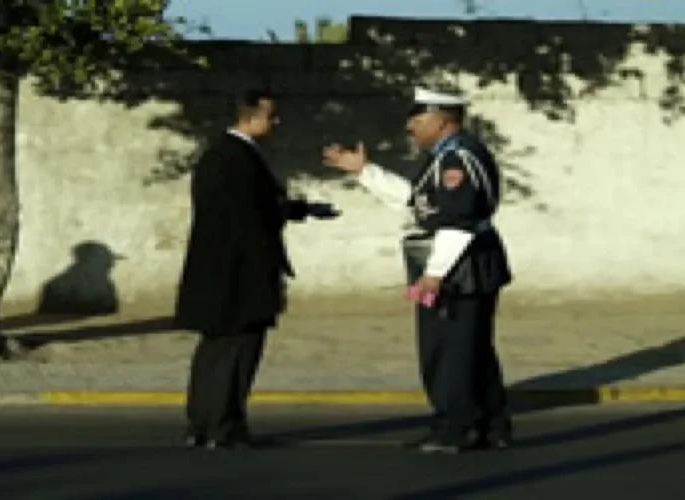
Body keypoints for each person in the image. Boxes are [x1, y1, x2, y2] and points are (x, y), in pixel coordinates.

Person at [322, 87, 513, 454]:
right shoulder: (446, 156)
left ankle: (455, 429)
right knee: (471, 348)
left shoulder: (457, 160)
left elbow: (457, 221)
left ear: (443, 120)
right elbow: (417, 202)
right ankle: (491, 425)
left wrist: (434, 274)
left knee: (447, 350)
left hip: (456, 268)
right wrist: (366, 172)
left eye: (418, 118)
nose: (411, 126)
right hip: (460, 263)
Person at [174, 89, 340, 450]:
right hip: (240, 272)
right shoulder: (235, 157)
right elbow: (251, 216)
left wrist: (302, 210)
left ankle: (201, 424)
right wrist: (269, 268)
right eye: (269, 116)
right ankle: (224, 426)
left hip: (220, 271)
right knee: (238, 349)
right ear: (248, 119)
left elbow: (258, 206)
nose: (275, 122)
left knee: (214, 350)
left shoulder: (220, 155)